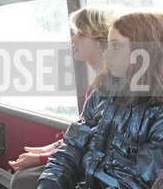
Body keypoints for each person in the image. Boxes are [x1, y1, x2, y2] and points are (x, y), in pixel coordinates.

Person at [38, 12, 163, 188]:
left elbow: (140, 182)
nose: (107, 54)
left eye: (116, 46)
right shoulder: (102, 94)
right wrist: (49, 183)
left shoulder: (157, 114)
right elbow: (72, 146)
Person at [10, 6, 121, 189]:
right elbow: (82, 131)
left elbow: (95, 143)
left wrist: (42, 157)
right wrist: (48, 148)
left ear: (101, 41)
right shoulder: (96, 87)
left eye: (81, 34)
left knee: (25, 180)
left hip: (100, 166)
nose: (73, 39)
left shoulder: (112, 90)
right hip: (87, 158)